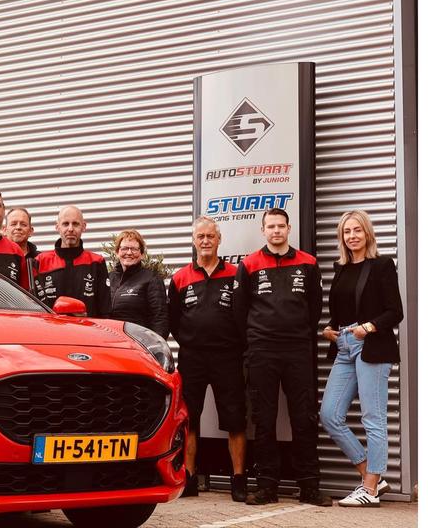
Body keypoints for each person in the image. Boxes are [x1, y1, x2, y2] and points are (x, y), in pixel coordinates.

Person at [233, 208, 330, 506]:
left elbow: (315, 308)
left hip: (298, 350)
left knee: (304, 418)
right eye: (271, 226)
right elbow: (239, 310)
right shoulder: (249, 264)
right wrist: (254, 339)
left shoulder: (308, 263)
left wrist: (297, 333)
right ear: (263, 230)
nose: (276, 231)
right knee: (264, 420)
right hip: (262, 351)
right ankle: (267, 486)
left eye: (281, 226)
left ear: (289, 229)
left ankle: (309, 486)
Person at [320, 210, 403, 507]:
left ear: (367, 233)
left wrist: (367, 328)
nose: (352, 236)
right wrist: (330, 329)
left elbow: (395, 311)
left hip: (371, 346)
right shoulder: (341, 268)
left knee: (373, 418)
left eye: (357, 230)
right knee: (329, 415)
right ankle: (371, 476)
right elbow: (343, 310)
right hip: (344, 346)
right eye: (346, 231)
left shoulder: (382, 265)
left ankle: (369, 490)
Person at [167, 217, 246, 501]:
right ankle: (189, 478)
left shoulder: (236, 274)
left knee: (235, 419)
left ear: (219, 239)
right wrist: (191, 341)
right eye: (200, 236)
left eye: (210, 236)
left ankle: (239, 479)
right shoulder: (180, 277)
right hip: (193, 357)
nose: (205, 241)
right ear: (194, 240)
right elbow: (173, 320)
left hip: (228, 356)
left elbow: (244, 314)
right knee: (190, 418)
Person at [34, 206, 110, 316]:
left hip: (86, 326)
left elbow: (105, 310)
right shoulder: (41, 261)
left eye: (75, 224)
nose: (70, 229)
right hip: (51, 326)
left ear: (83, 226)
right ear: (57, 227)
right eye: (65, 224)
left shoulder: (96, 262)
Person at [106, 229, 167, 337]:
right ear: (117, 252)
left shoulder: (151, 279)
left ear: (142, 254)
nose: (129, 253)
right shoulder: (109, 278)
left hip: (138, 343)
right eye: (124, 248)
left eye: (134, 249)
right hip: (110, 341)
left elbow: (160, 318)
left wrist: (154, 345)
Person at [4, 207, 39, 281]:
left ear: (30, 231)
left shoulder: (40, 260)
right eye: (13, 224)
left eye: (23, 224)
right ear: (4, 230)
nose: (18, 227)